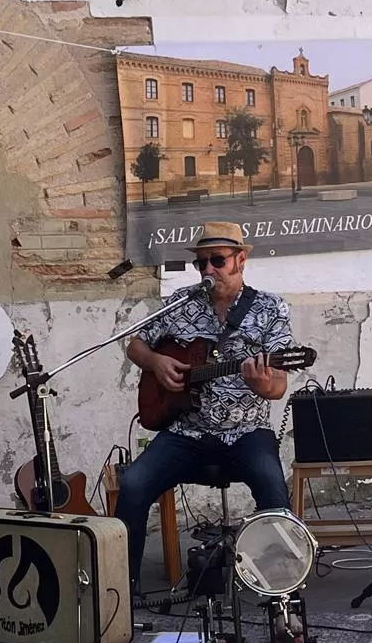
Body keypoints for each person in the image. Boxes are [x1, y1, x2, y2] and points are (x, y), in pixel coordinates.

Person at [116, 221, 293, 591]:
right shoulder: (180, 303)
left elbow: (278, 385)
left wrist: (262, 384)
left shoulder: (269, 307)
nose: (208, 270)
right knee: (132, 484)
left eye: (218, 261)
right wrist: (156, 363)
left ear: (240, 260)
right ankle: (121, 593)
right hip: (186, 432)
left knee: (273, 488)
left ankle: (280, 595)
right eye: (202, 263)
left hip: (246, 432)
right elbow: (134, 344)